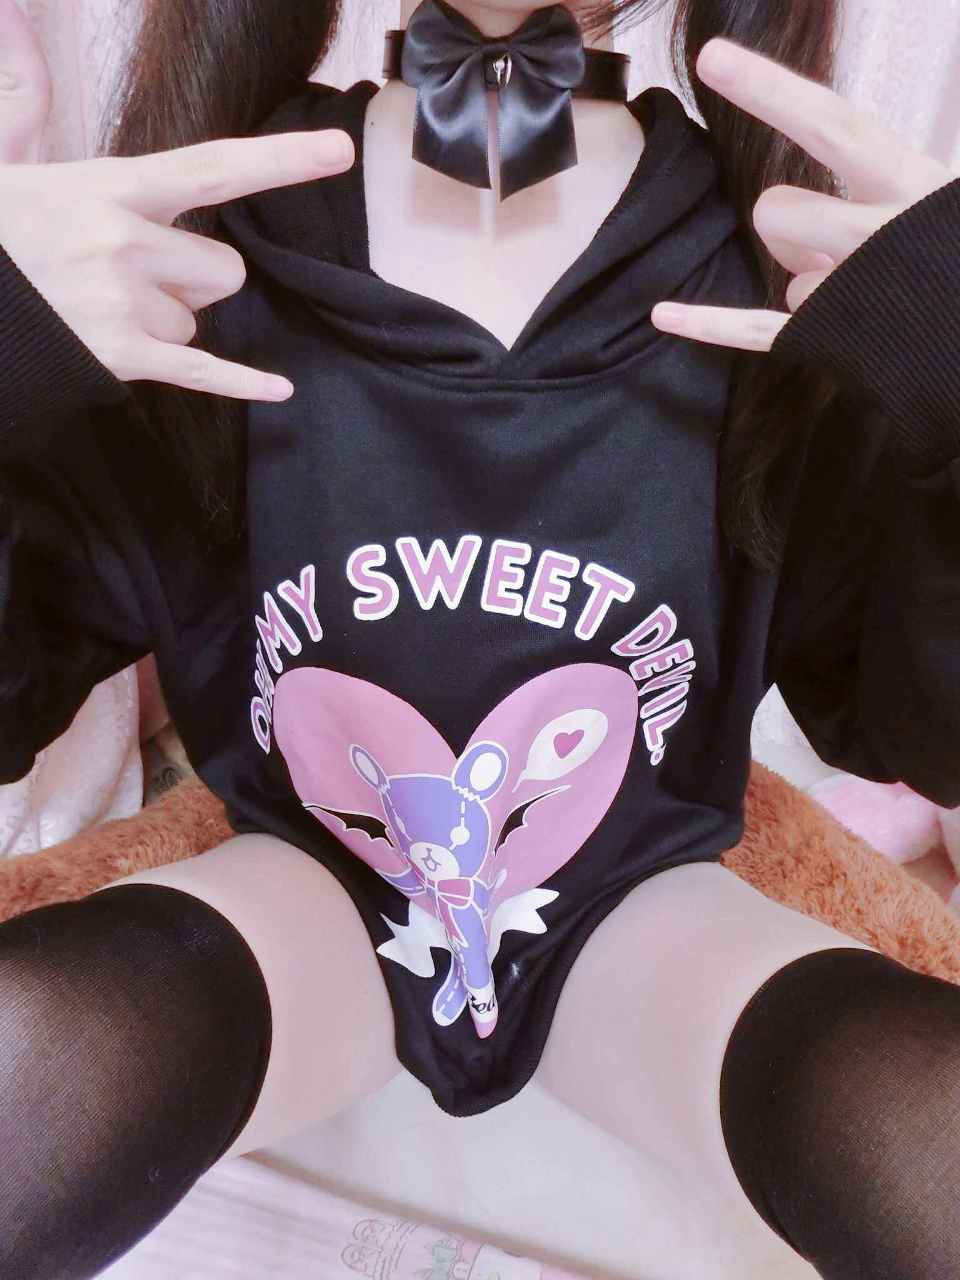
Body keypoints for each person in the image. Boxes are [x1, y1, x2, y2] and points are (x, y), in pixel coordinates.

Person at [1, 0, 959, 1275]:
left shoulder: (776, 273)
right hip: (303, 883)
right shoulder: (200, 250)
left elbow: (922, 726)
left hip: (643, 901)